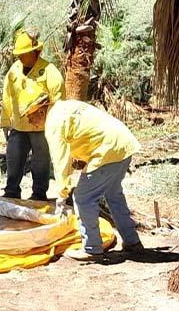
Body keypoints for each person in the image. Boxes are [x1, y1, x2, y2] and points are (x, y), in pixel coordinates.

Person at [22, 98, 144, 261]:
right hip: (123, 145)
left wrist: (62, 193)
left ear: (41, 111)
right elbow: (86, 132)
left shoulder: (53, 124)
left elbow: (60, 161)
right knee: (113, 195)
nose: (29, 122)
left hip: (107, 152)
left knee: (83, 198)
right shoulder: (64, 107)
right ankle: (132, 242)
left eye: (31, 117)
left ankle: (92, 248)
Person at [0, 30, 64, 200]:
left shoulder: (50, 71)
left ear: (35, 51)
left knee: (41, 162)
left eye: (24, 54)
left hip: (41, 128)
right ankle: (12, 191)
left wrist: (53, 125)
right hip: (18, 127)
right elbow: (7, 96)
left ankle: (39, 194)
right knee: (14, 159)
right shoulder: (14, 70)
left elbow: (58, 101)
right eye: (18, 54)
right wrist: (5, 121)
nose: (20, 57)